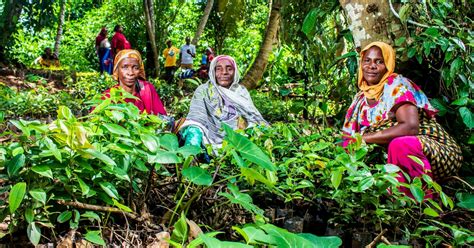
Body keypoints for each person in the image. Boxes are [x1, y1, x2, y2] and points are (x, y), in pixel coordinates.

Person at [342, 41, 462, 191]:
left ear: (388, 65)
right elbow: (348, 137)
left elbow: (410, 128)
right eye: (367, 60)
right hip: (389, 160)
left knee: (401, 145)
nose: (371, 66)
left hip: (435, 153)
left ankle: (421, 203)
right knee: (344, 146)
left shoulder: (397, 86)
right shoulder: (360, 99)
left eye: (379, 61)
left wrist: (364, 139)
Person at [178, 55, 268, 152]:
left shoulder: (241, 92)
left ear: (235, 72)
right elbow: (196, 118)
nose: (224, 72)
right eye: (219, 69)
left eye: (229, 69)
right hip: (207, 138)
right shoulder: (203, 90)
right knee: (193, 130)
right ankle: (191, 157)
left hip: (236, 139)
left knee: (258, 130)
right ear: (213, 71)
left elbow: (252, 119)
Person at [102, 49, 166, 116]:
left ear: (140, 70)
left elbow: (161, 119)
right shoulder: (108, 96)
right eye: (125, 67)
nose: (130, 73)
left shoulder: (147, 89)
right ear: (117, 70)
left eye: (135, 68)